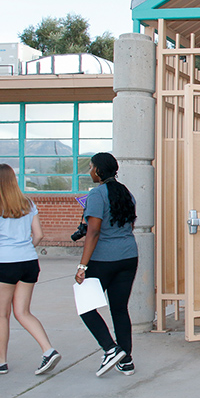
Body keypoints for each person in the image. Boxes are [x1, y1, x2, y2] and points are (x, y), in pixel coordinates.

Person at [0, 164, 60, 375]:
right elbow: (39, 235)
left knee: (1, 315)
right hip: (29, 263)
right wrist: (24, 249)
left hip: (4, 265)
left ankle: (1, 362)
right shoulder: (28, 203)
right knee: (23, 312)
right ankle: (48, 350)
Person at [74, 153, 139, 377]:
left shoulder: (96, 195)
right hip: (129, 256)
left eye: (91, 167)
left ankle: (111, 349)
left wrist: (82, 266)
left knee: (85, 305)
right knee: (119, 309)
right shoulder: (126, 193)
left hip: (104, 259)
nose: (89, 171)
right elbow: (128, 225)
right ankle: (126, 360)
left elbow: (93, 231)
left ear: (99, 171)